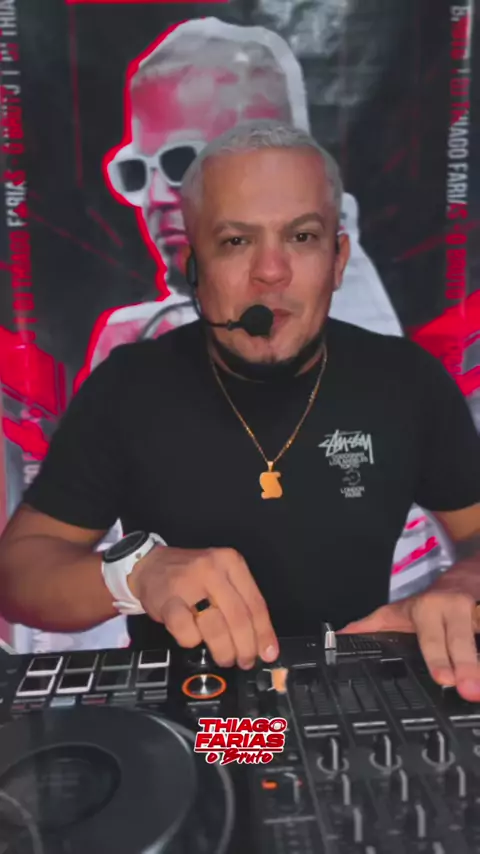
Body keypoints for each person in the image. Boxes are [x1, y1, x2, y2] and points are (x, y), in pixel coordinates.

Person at [2, 120, 479, 702]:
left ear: (337, 259)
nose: (270, 272)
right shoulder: (128, 386)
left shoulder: (408, 380)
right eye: (235, 241)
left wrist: (464, 584)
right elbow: (18, 573)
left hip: (353, 710)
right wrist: (135, 575)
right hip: (193, 730)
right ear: (193, 268)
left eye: (302, 236)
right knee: (243, 760)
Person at [78, 16, 440, 607]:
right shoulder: (136, 351)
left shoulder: (386, 364)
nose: (159, 197)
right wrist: (133, 578)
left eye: (184, 163)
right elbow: (31, 568)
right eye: (138, 171)